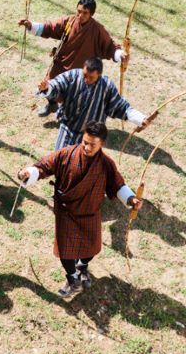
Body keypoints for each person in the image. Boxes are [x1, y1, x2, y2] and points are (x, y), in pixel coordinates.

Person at [17, 121, 142, 298]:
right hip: (66, 212)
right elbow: (44, 166)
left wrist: (131, 199)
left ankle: (82, 266)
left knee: (90, 248)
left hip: (90, 213)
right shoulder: (66, 154)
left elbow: (117, 185)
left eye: (93, 144)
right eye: (85, 142)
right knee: (66, 251)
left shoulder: (106, 164)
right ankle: (73, 278)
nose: (87, 147)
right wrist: (29, 172)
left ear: (102, 144)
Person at [18, 0, 125, 117]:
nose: (80, 15)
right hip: (62, 62)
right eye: (79, 11)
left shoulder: (97, 30)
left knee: (73, 94)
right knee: (50, 83)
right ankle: (52, 104)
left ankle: (68, 114)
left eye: (85, 13)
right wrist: (30, 25)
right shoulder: (69, 21)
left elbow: (109, 46)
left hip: (80, 68)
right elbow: (51, 28)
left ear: (91, 14)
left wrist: (120, 54)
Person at [38, 58, 151, 149]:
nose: (86, 80)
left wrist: (140, 119)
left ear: (99, 74)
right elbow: (57, 83)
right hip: (68, 127)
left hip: (91, 136)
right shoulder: (74, 75)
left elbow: (121, 107)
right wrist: (47, 87)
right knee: (60, 159)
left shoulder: (107, 87)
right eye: (85, 75)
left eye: (91, 77)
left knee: (82, 167)